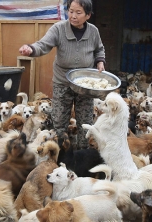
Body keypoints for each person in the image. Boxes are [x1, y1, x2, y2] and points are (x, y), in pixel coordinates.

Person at [19, 0, 105, 149]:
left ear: (88, 15)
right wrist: (31, 49)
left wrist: (100, 61)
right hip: (63, 83)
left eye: (78, 13)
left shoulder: (93, 31)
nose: (73, 16)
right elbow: (43, 44)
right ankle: (58, 152)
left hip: (85, 84)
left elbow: (99, 49)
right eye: (71, 11)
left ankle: (82, 152)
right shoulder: (59, 29)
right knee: (59, 120)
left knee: (85, 121)